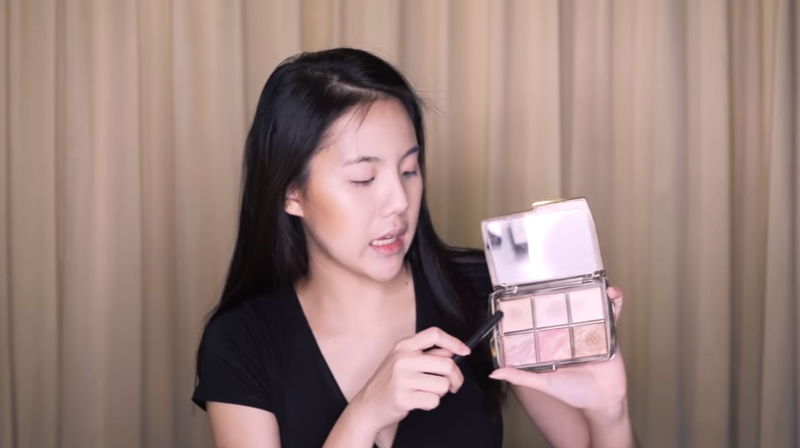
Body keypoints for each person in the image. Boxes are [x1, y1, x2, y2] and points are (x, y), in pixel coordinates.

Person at [192, 47, 638, 448]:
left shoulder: (485, 293)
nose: (400, 203)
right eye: (364, 179)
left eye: (409, 170)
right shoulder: (241, 342)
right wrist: (365, 416)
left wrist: (609, 412)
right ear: (292, 192)